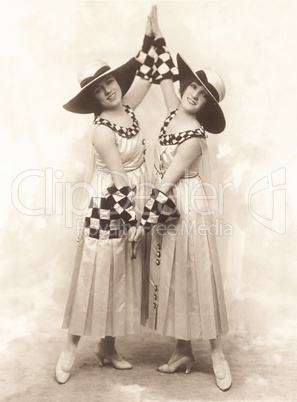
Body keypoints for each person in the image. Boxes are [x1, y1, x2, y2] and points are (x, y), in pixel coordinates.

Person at [55, 13, 156, 384]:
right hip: (110, 201)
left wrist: (149, 39)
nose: (109, 90)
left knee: (121, 274)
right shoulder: (101, 131)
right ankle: (71, 346)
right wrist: (134, 221)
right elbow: (117, 178)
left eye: (110, 81)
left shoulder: (127, 106)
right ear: (93, 98)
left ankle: (107, 347)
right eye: (99, 89)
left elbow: (146, 75)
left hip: (133, 194)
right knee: (97, 273)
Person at [138, 6, 232, 391]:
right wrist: (156, 37)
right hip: (167, 206)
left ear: (208, 106)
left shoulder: (195, 138)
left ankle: (217, 352)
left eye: (203, 94)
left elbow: (167, 183)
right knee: (173, 274)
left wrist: (142, 221)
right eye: (193, 86)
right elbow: (164, 74)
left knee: (195, 273)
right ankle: (182, 350)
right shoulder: (173, 109)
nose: (194, 94)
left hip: (185, 206)